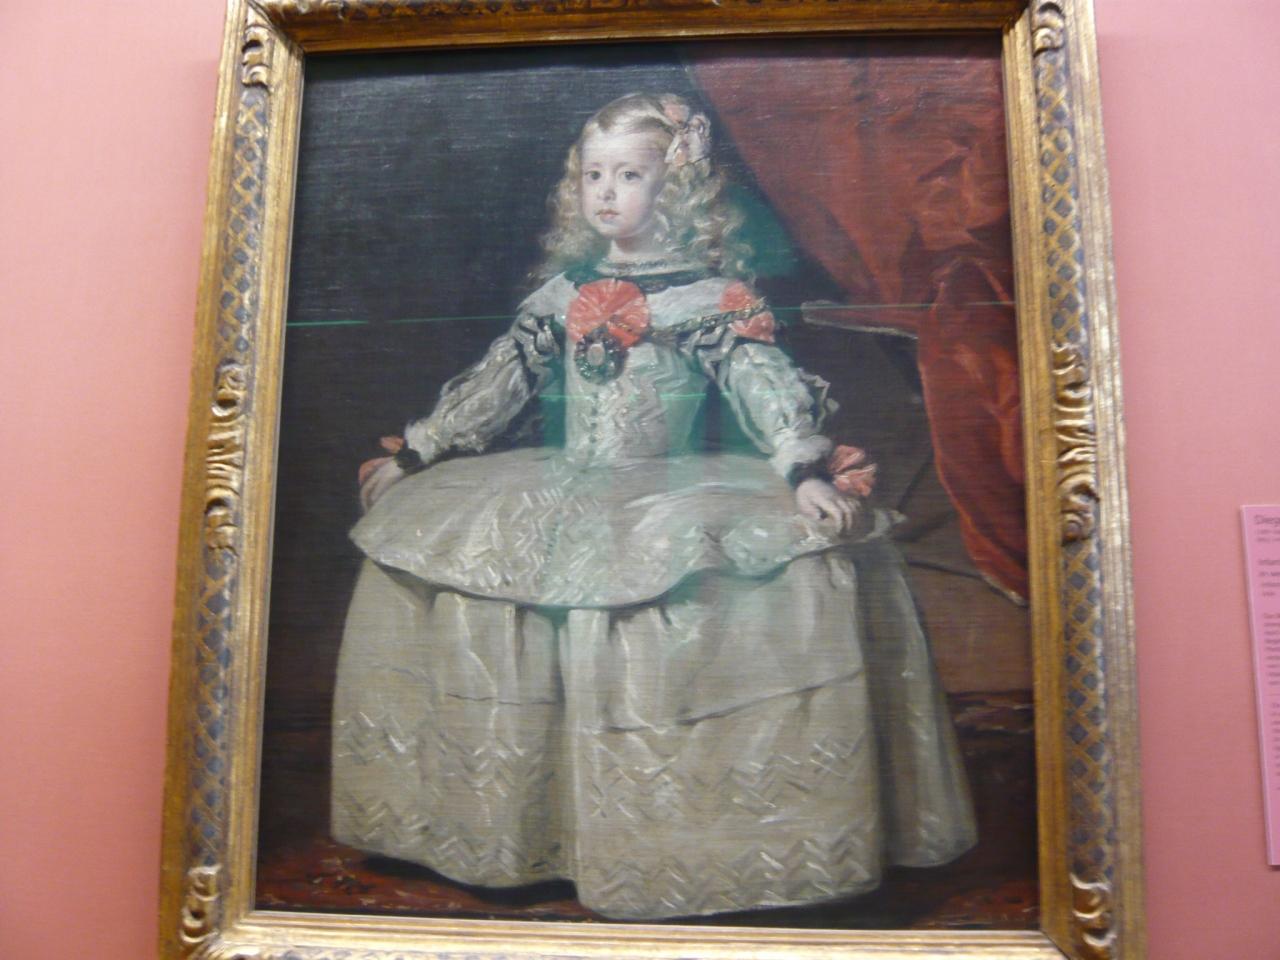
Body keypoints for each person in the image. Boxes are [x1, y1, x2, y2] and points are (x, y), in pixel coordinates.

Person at [331, 92, 976, 920]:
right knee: (459, 549)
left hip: (665, 483)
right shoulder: (562, 292)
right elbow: (502, 381)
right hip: (569, 477)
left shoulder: (709, 296)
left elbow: (762, 383)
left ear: (675, 188)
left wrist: (803, 469)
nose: (607, 194)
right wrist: (420, 450)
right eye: (594, 176)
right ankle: (529, 826)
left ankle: (680, 841)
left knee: (758, 573)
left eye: (630, 176)